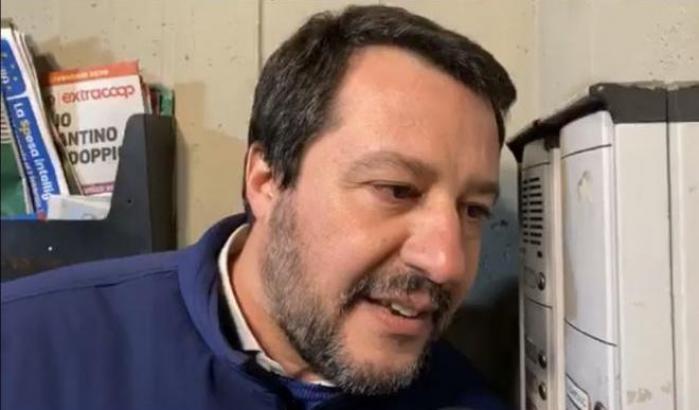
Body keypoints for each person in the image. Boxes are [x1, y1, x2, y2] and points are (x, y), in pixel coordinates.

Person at [1, 5, 516, 410]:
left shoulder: (462, 399)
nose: (447, 262)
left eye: (473, 210)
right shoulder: (24, 349)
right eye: (396, 190)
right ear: (266, 182)